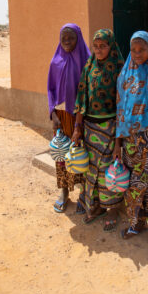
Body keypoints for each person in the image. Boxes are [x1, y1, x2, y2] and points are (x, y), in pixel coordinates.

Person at [114, 31, 148, 250]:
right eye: (134, 49)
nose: (137, 54)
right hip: (129, 142)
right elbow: (120, 109)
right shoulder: (125, 73)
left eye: (142, 49)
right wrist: (118, 144)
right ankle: (136, 223)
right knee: (132, 187)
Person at [72, 29, 125, 231]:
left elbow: (123, 105)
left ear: (111, 46)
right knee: (91, 168)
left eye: (103, 46)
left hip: (110, 127)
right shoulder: (89, 66)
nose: (99, 50)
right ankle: (96, 206)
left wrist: (119, 138)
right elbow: (81, 98)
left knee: (107, 169)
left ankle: (111, 209)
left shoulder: (119, 69)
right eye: (96, 46)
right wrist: (77, 127)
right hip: (89, 127)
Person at [47, 23, 90, 214]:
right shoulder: (55, 62)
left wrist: (81, 122)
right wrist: (53, 114)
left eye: (71, 37)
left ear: (78, 39)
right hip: (62, 117)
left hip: (81, 117)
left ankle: (84, 194)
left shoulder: (87, 62)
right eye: (63, 37)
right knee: (63, 155)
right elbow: (50, 89)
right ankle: (64, 192)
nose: (66, 41)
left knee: (81, 155)